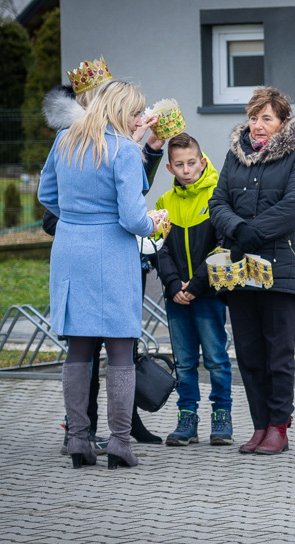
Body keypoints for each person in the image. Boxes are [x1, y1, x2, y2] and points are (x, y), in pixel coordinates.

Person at [42, 57, 165, 453]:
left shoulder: (64, 140)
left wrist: (78, 219)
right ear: (119, 111)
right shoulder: (124, 151)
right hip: (111, 254)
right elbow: (132, 218)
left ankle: (77, 439)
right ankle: (119, 442)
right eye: (136, 112)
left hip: (69, 250)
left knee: (77, 351)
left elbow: (47, 196)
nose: (141, 118)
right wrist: (154, 223)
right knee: (119, 351)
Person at [208, 86, 295, 455]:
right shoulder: (234, 157)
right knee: (249, 353)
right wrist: (238, 230)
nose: (257, 125)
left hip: (282, 268)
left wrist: (252, 232)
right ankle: (258, 426)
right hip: (240, 269)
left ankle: (278, 426)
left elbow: (294, 206)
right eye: (253, 117)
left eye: (266, 118)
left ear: (283, 122)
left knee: (278, 354)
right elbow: (217, 201)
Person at [154, 133, 234, 447]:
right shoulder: (164, 203)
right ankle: (187, 417)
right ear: (170, 169)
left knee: (215, 358)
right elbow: (159, 249)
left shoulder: (217, 196)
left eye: (191, 163)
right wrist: (174, 285)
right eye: (179, 165)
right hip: (177, 298)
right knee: (184, 361)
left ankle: (221, 415)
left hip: (208, 294)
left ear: (202, 162)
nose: (186, 169)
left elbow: (223, 245)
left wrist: (198, 283)